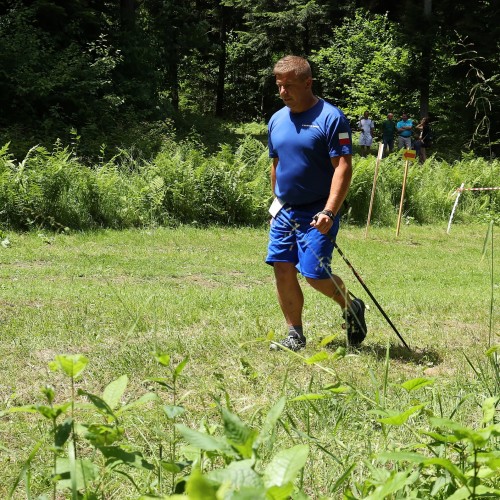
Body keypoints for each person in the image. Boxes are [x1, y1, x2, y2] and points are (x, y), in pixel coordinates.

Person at [266, 55, 367, 352]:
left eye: (289, 85)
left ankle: (351, 305)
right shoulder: (276, 119)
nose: (283, 92)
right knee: (282, 268)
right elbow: (277, 163)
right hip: (285, 210)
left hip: (318, 211)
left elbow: (343, 167)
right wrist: (276, 203)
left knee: (313, 274)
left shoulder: (331, 118)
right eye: (279, 85)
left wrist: (329, 211)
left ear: (308, 82)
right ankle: (294, 334)